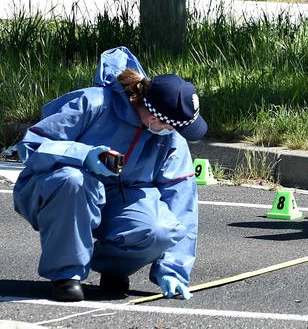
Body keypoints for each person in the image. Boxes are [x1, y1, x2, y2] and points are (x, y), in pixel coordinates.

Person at [13, 46, 207, 301]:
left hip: (120, 198)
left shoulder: (171, 139)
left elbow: (182, 203)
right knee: (73, 180)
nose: (176, 134)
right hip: (58, 189)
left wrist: (174, 270)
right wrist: (83, 156)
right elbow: (31, 146)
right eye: (172, 126)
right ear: (153, 119)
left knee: (159, 229)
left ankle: (111, 267)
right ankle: (66, 274)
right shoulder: (92, 103)